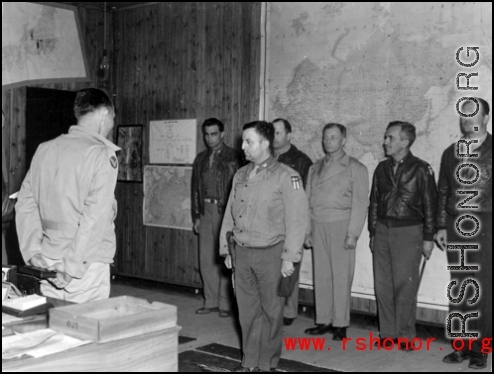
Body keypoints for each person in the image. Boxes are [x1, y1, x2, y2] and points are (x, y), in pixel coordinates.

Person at [219, 121, 309, 372]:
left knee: (271, 313)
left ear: (266, 144)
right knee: (247, 313)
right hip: (243, 253)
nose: (242, 146)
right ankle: (249, 363)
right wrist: (227, 249)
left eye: (249, 141)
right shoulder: (241, 175)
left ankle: (266, 365)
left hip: (272, 254)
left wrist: (290, 257)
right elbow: (230, 214)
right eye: (243, 141)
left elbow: (297, 219)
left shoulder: (287, 176)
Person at [15, 88, 119, 303]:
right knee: (86, 329)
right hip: (85, 263)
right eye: (113, 118)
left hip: (48, 258)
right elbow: (94, 219)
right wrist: (71, 267)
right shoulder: (101, 154)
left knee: (55, 327)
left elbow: (25, 204)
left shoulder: (45, 149)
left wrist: (33, 252)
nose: (111, 125)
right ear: (104, 115)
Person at [368, 121, 437, 348]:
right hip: (382, 231)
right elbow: (374, 202)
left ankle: (406, 335)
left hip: (409, 232)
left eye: (390, 138)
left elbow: (430, 204)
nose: (385, 142)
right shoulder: (381, 168)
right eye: (386, 137)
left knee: (405, 286)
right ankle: (387, 334)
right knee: (383, 286)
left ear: (404, 142)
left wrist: (428, 237)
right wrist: (373, 232)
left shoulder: (421, 169)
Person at [436, 98, 491, 369]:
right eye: (464, 115)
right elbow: (443, 191)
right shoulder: (450, 153)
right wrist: (439, 226)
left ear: (486, 118)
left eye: (474, 115)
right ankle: (462, 347)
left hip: (486, 228)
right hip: (457, 228)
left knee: (483, 290)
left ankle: (481, 349)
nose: (468, 120)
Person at [304, 123, 369, 340]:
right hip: (317, 224)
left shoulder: (355, 167)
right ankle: (323, 320)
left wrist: (353, 233)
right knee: (321, 276)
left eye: (333, 137)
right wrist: (307, 231)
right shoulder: (314, 168)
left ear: (343, 140)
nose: (328, 141)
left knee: (341, 276)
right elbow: (306, 201)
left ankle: (340, 323)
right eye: (325, 138)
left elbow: (360, 203)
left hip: (341, 225)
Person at [191, 118, 241, 317]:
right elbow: (195, 190)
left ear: (222, 134)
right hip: (206, 212)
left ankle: (225, 304)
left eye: (213, 134)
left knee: (225, 257)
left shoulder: (234, 157)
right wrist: (196, 215)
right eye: (206, 134)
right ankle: (210, 301)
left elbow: (239, 189)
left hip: (225, 212)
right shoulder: (200, 159)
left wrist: (236, 217)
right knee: (206, 259)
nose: (209, 138)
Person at [272, 118, 313, 326]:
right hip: (271, 220)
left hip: (291, 219)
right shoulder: (267, 157)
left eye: (278, 133)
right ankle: (275, 308)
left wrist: (304, 227)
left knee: (290, 265)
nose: (273, 136)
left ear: (289, 135)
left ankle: (288, 312)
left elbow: (305, 196)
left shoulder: (301, 161)